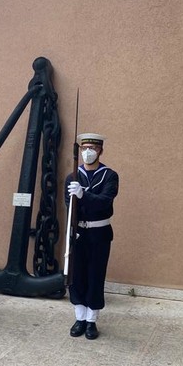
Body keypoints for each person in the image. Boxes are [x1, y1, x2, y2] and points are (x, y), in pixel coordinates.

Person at [65, 133, 119, 340]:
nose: (88, 152)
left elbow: (105, 201)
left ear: (100, 151)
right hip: (79, 232)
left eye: (93, 148)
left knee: (95, 275)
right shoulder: (72, 176)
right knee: (77, 276)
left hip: (99, 232)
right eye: (84, 147)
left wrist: (83, 195)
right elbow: (68, 206)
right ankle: (79, 318)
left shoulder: (109, 176)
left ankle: (91, 320)